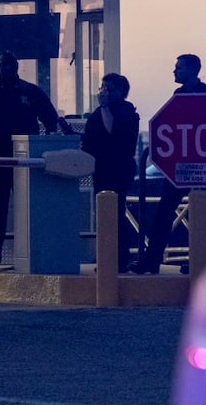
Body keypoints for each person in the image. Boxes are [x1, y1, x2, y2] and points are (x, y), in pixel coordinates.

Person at [0, 51, 70, 279]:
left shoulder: (30, 92)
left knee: (31, 212)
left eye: (11, 64)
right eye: (3, 65)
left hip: (26, 163)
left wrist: (46, 152)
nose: (8, 68)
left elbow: (51, 121)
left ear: (17, 66)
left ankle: (35, 259)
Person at [133, 54, 206, 274]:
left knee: (204, 215)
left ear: (192, 70)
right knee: (165, 212)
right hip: (181, 169)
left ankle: (201, 261)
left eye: (179, 68)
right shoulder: (178, 94)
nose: (174, 71)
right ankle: (151, 261)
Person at [79, 73, 140, 272]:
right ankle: (107, 258)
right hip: (100, 168)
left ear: (121, 92)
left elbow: (113, 130)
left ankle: (119, 259)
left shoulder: (126, 112)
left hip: (118, 169)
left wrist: (105, 107)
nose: (103, 93)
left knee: (115, 214)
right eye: (102, 88)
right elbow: (91, 138)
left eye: (109, 89)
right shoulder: (98, 113)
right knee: (103, 215)